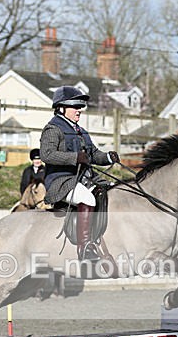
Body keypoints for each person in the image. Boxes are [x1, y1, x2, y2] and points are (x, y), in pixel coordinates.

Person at [40, 86, 120, 261]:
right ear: (61, 108)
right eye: (75, 107)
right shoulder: (53, 129)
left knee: (115, 191)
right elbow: (46, 154)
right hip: (62, 182)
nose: (79, 111)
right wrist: (74, 157)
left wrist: (108, 157)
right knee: (87, 199)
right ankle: (84, 249)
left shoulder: (81, 131)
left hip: (85, 179)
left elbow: (93, 155)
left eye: (80, 107)